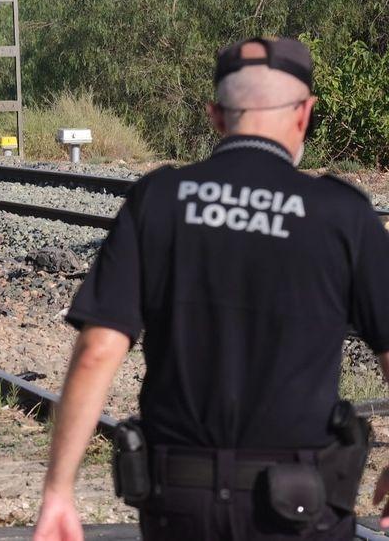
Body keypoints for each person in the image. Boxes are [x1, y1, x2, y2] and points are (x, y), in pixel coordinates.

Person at [33, 37, 389, 540]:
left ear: (216, 116)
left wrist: (58, 490)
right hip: (302, 506)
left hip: (179, 502)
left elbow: (97, 350)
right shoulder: (343, 213)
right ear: (305, 114)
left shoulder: (158, 199)